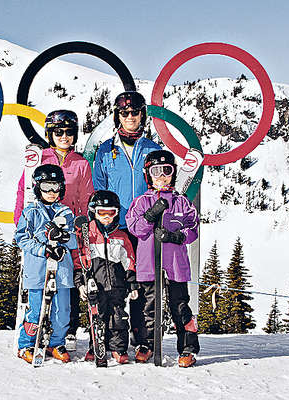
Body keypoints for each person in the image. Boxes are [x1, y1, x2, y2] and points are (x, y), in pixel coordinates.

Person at [14, 110, 93, 350]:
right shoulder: (39, 158)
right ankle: (29, 338)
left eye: (69, 132)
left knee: (64, 288)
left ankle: (60, 338)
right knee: (38, 288)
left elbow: (86, 198)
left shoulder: (80, 163)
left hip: (66, 228)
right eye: (59, 132)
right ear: (50, 133)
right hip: (38, 230)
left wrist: (81, 229)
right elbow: (23, 192)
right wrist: (22, 223)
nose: (64, 136)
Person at [92, 91, 161, 345]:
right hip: (116, 228)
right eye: (125, 113)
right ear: (117, 116)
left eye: (135, 112)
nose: (130, 117)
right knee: (114, 287)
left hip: (143, 228)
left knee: (142, 287)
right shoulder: (105, 151)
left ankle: (143, 339)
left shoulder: (152, 150)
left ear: (143, 115)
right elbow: (99, 189)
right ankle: (112, 340)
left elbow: (161, 187)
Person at [125, 150, 200, 367]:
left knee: (179, 306)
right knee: (148, 306)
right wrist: (150, 216)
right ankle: (145, 344)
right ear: (148, 175)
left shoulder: (182, 202)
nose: (161, 176)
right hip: (149, 264)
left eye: (166, 171)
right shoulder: (141, 202)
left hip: (175, 265)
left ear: (173, 173)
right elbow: (135, 228)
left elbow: (192, 229)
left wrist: (176, 236)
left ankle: (187, 347)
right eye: (155, 171)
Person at [15, 164, 77, 364]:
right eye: (46, 187)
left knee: (62, 311)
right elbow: (21, 238)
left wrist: (65, 238)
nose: (51, 192)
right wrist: (43, 248)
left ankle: (56, 342)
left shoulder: (66, 212)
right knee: (35, 309)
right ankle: (26, 344)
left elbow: (75, 239)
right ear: (37, 187)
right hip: (38, 269)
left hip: (61, 270)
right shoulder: (30, 211)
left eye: (55, 187)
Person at [74, 190, 137, 365]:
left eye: (112, 213)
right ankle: (96, 346)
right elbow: (80, 261)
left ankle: (118, 348)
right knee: (97, 317)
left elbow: (129, 261)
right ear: (94, 212)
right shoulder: (88, 237)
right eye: (102, 213)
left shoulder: (122, 237)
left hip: (117, 286)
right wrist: (81, 284)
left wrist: (132, 284)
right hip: (97, 286)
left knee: (118, 317)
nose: (107, 217)